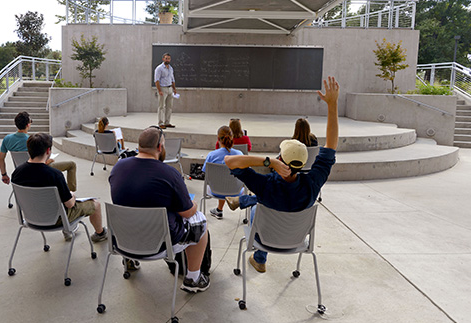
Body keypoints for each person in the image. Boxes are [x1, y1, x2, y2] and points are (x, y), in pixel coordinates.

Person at [224, 76, 340, 273]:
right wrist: (332, 104)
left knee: (259, 206)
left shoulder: (265, 184)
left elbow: (230, 161)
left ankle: (260, 257)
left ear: (280, 157)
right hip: (296, 240)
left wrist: (269, 162)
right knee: (263, 204)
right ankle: (258, 254)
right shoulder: (313, 183)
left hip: (264, 238)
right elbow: (331, 144)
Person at [109, 126, 211, 293]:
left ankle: (129, 260)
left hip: (123, 238)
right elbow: (188, 212)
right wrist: (193, 206)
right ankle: (193, 278)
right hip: (160, 243)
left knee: (130, 209)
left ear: (139, 146)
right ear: (159, 147)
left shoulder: (118, 167)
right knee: (200, 221)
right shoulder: (169, 173)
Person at [11, 133, 107, 243]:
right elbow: (70, 204)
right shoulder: (54, 175)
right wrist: (72, 195)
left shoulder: (16, 173)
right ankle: (100, 234)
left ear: (29, 150)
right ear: (48, 151)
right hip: (56, 219)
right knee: (95, 204)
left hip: (31, 218)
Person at [0, 111, 77, 191]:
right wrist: (49, 161)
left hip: (21, 171)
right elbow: (39, 163)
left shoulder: (7, 139)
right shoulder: (32, 141)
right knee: (71, 165)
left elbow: (0, 159)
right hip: (39, 170)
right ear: (28, 125)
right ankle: (70, 191)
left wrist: (4, 175)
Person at [205, 125, 244, 219]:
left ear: (218, 139)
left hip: (215, 190)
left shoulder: (211, 155)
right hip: (236, 191)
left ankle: (219, 210)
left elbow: (206, 174)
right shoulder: (239, 155)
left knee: (220, 179)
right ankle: (219, 210)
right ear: (232, 137)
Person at [154, 53, 177, 129]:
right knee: (161, 107)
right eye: (166, 58)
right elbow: (156, 80)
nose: (168, 60)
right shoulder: (159, 68)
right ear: (163, 59)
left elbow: (172, 79)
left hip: (170, 88)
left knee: (169, 106)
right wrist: (159, 90)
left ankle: (167, 122)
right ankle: (161, 123)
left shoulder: (171, 68)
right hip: (162, 88)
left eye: (169, 58)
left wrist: (174, 89)